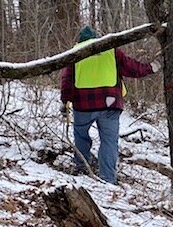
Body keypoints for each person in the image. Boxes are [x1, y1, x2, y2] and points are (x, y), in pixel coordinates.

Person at [60, 26, 160, 184]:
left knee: (81, 136)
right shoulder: (111, 50)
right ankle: (108, 178)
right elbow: (132, 68)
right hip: (110, 103)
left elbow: (67, 81)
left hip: (83, 103)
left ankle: (81, 166)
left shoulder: (75, 53)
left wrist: (65, 101)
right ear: (97, 38)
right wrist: (152, 67)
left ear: (80, 40)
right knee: (109, 142)